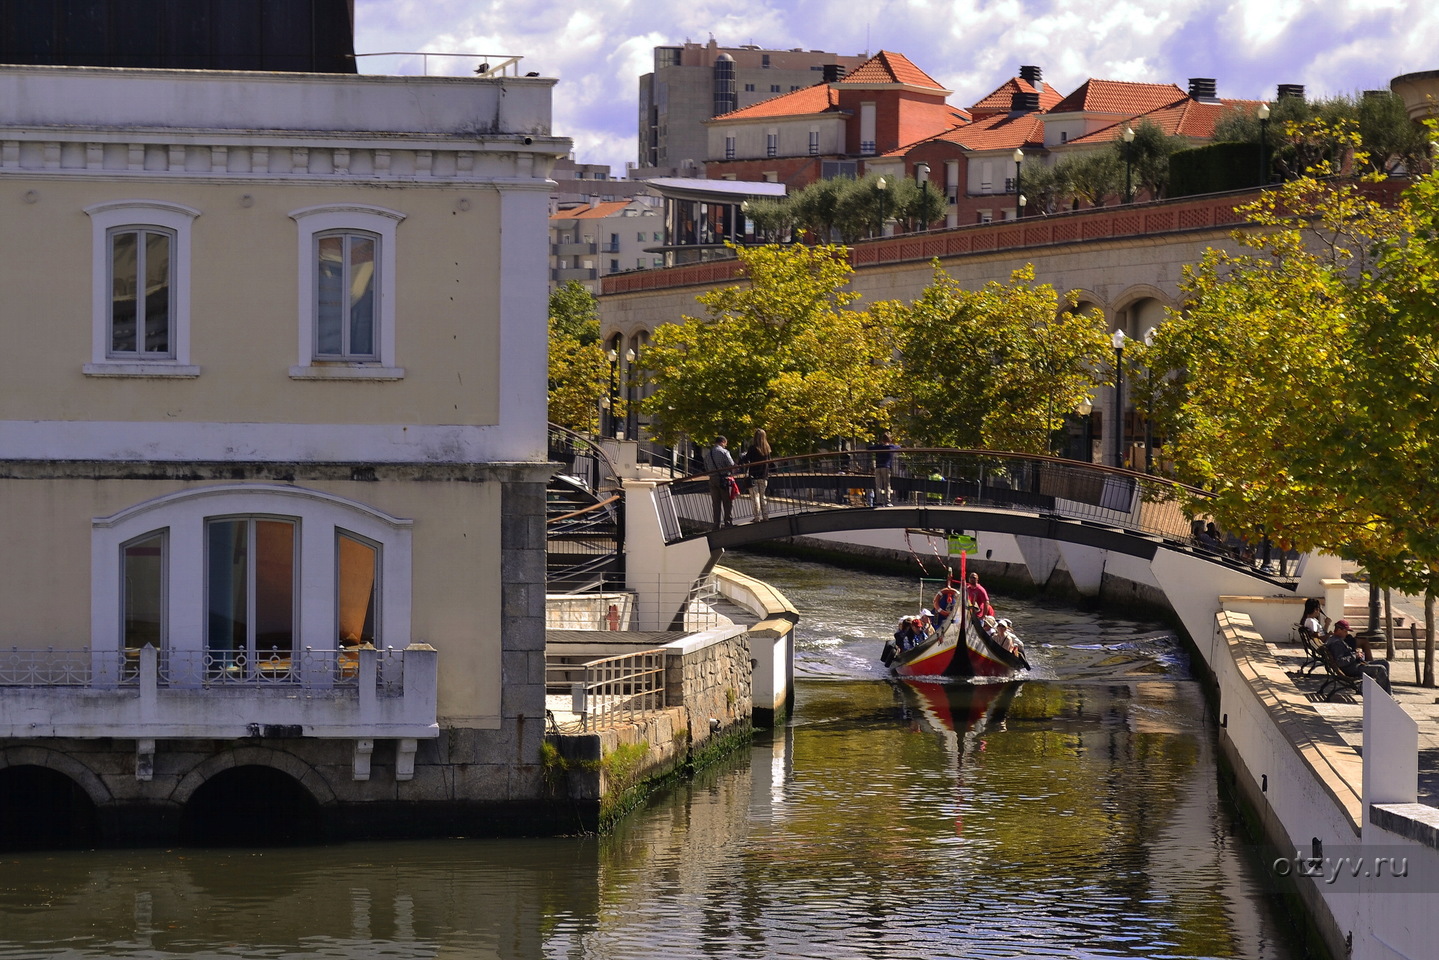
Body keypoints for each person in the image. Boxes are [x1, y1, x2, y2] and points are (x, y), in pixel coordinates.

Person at [1324, 620, 1390, 693]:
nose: (1347, 634)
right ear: (1339, 630)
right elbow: (1340, 661)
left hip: (1355, 665)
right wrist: (1355, 656)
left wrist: (1355, 653)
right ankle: (1386, 695)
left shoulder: (1336, 640)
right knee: (1380, 669)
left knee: (1385, 663)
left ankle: (1383, 691)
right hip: (1352, 669)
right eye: (1345, 631)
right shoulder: (1336, 643)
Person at [739, 428, 773, 521]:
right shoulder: (767, 449)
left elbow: (746, 459)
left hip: (753, 476)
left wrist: (743, 457)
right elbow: (770, 462)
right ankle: (765, 516)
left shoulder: (752, 448)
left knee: (755, 497)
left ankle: (757, 517)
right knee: (763, 497)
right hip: (764, 476)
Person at [703, 435, 735, 530]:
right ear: (723, 442)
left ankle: (716, 524)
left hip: (712, 479)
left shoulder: (708, 454)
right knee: (727, 501)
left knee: (716, 503)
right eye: (725, 444)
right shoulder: (724, 452)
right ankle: (727, 522)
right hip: (723, 479)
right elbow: (731, 464)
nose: (725, 446)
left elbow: (706, 467)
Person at [871, 432, 899, 506]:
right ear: (890, 440)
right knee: (887, 485)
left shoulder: (878, 447)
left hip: (878, 467)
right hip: (886, 467)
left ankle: (879, 501)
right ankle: (887, 501)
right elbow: (898, 447)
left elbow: (870, 448)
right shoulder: (891, 447)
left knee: (878, 485)